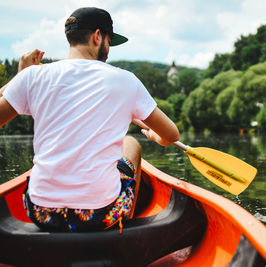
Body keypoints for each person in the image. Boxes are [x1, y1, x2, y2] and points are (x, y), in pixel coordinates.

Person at [0, 7, 179, 232]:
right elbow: (172, 134)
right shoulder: (126, 81)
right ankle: (121, 229)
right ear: (97, 37)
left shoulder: (32, 77)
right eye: (109, 41)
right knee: (130, 143)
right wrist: (158, 137)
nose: (109, 49)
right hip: (99, 215)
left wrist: (19, 79)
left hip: (42, 212)